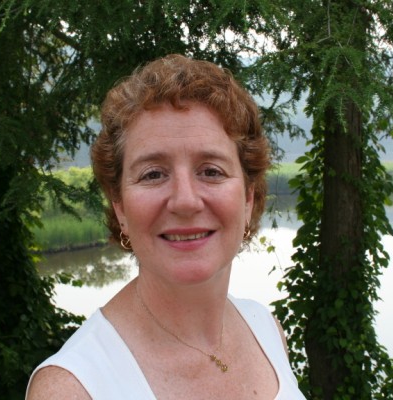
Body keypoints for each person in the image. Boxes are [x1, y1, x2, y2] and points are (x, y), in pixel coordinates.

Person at [26, 54, 306, 399]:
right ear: (120, 207)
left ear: (248, 199)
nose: (185, 201)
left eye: (211, 171)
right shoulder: (72, 389)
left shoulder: (266, 330)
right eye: (153, 174)